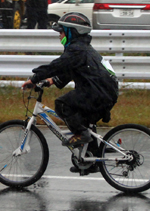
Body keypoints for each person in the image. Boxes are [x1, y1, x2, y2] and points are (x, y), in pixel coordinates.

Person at [21, 12, 119, 167]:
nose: (59, 35)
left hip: (98, 93)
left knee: (62, 104)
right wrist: (51, 81)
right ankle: (91, 160)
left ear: (71, 32)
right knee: (83, 119)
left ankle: (81, 134)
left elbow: (57, 65)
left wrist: (35, 78)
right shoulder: (81, 49)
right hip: (104, 92)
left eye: (61, 32)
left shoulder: (76, 50)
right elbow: (69, 70)